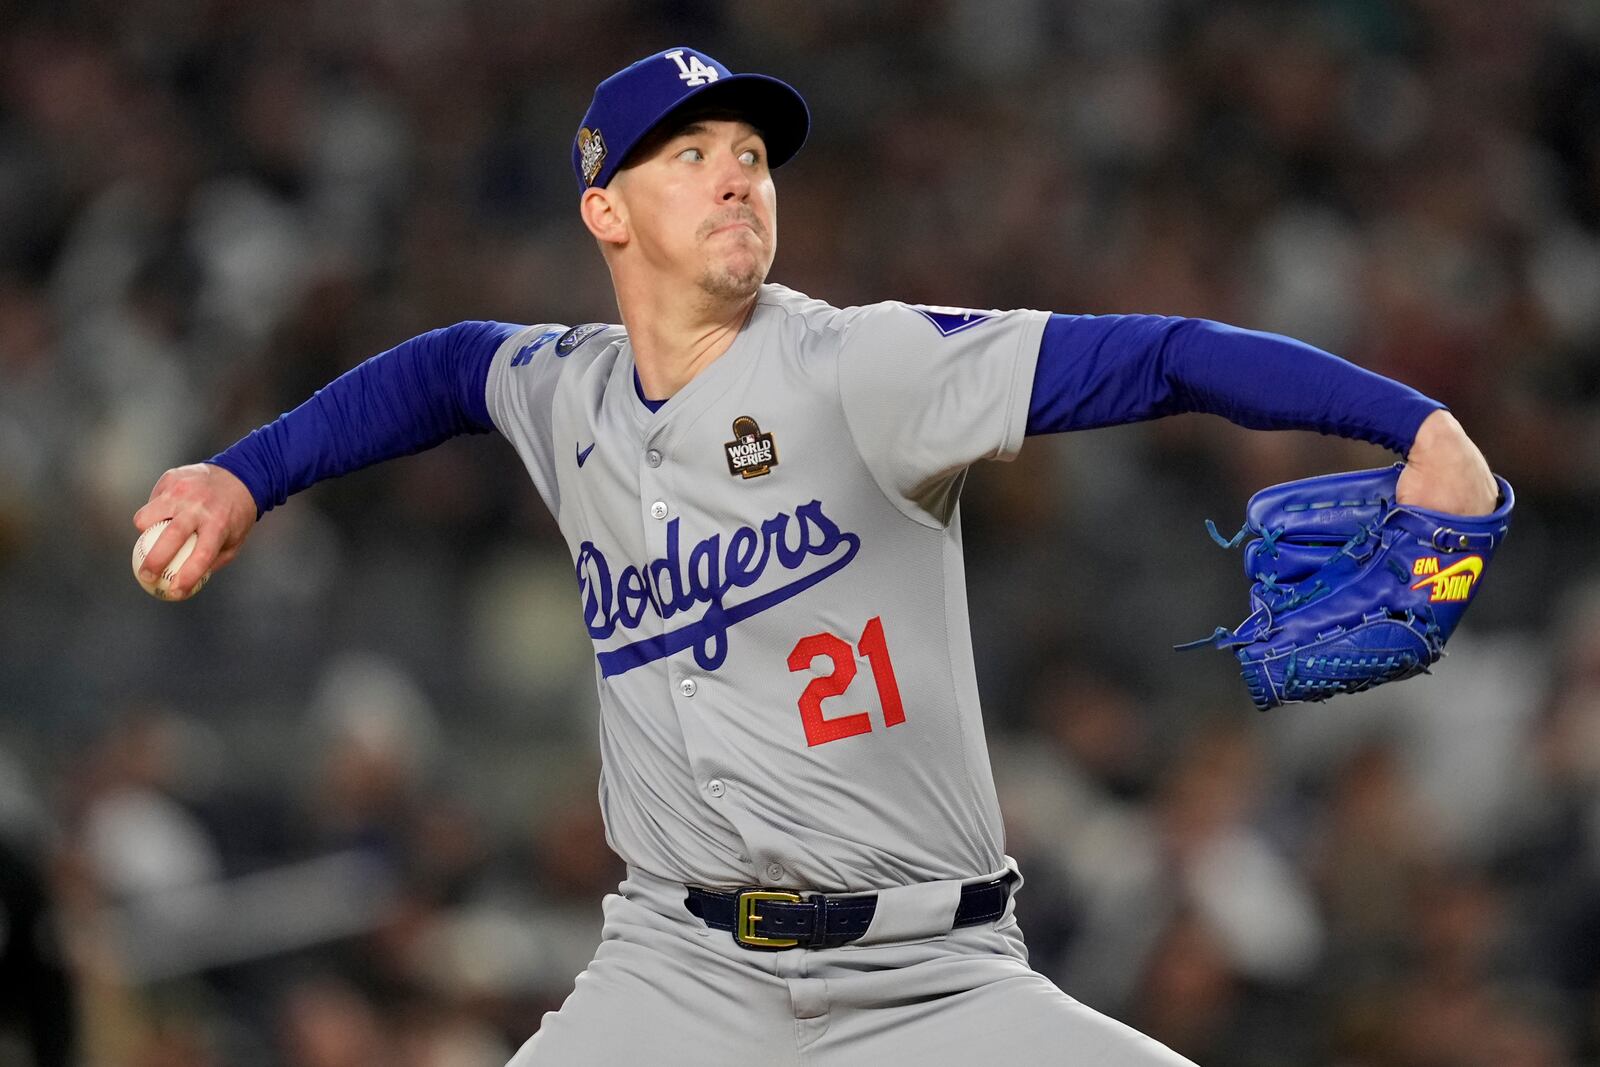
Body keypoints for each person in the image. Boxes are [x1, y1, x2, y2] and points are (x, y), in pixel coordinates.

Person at [135, 47, 1498, 1065]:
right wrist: (245, 476)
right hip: (677, 972)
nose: (737, 168)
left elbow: (1159, 356)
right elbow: (442, 371)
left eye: (751, 150)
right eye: (689, 152)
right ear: (604, 210)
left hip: (933, 983)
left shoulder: (865, 365)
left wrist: (1414, 419)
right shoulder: (569, 396)